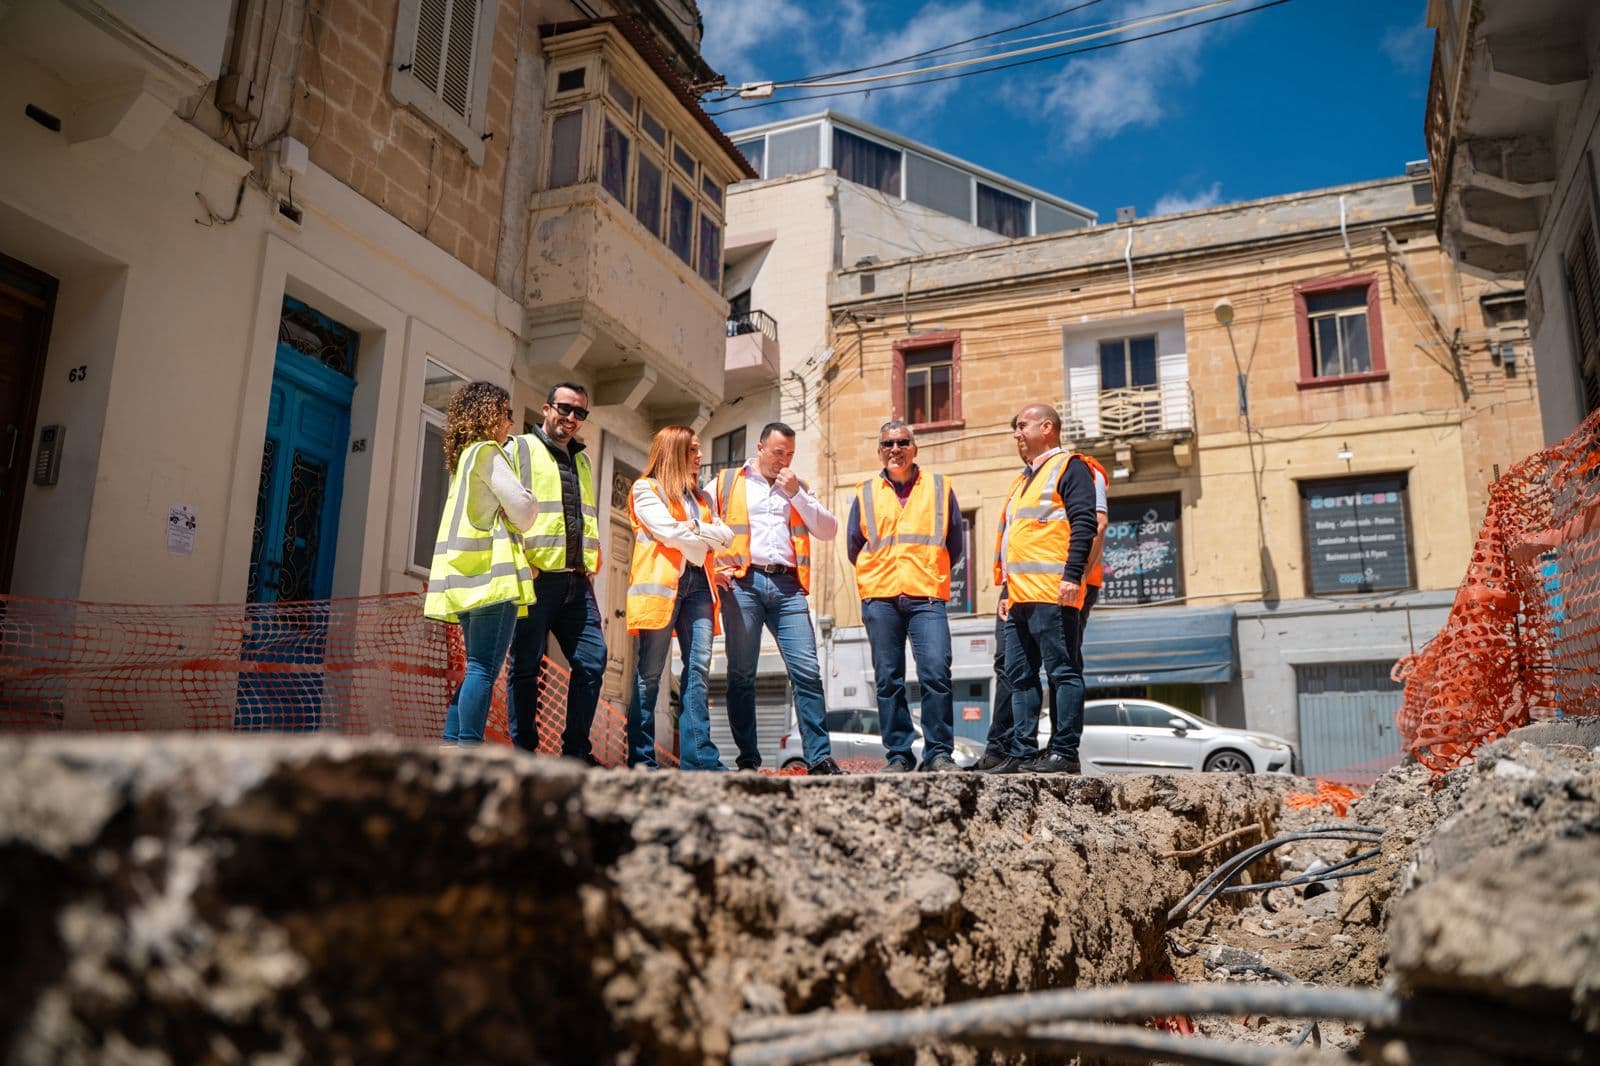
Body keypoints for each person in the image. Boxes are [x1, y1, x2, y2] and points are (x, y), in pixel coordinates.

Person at [711, 422, 844, 775]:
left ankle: (818, 759)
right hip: (743, 584)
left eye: (789, 454)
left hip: (788, 588)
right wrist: (713, 567)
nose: (783, 460)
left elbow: (828, 530)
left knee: (807, 672)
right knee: (741, 674)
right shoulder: (727, 482)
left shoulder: (796, 487)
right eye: (777, 453)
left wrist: (797, 493)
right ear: (760, 447)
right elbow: (698, 523)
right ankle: (748, 761)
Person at [982, 403, 1099, 775]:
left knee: (1063, 672)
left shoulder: (1071, 467)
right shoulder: (1023, 479)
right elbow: (1016, 541)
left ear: (1048, 427)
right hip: (1019, 598)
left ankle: (1065, 752)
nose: (1016, 433)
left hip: (1054, 592)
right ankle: (1022, 752)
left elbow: (1085, 523)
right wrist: (1007, 592)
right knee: (1019, 675)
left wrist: (1072, 575)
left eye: (1022, 425)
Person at [424, 382, 537, 747]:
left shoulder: (463, 459)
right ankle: (468, 747)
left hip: (464, 576)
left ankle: (452, 742)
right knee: (483, 669)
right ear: (490, 414)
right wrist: (527, 502)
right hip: (491, 576)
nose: (511, 421)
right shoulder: (489, 453)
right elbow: (523, 510)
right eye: (507, 413)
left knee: (474, 667)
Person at [846, 421, 963, 773]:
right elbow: (855, 545)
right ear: (879, 451)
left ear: (915, 448)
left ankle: (939, 753)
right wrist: (879, 573)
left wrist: (926, 568)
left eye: (901, 442)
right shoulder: (865, 491)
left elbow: (954, 543)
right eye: (887, 444)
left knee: (935, 672)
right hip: (880, 597)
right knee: (888, 678)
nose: (894, 449)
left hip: (926, 595)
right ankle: (898, 754)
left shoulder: (940, 487)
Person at [504, 383, 607, 762]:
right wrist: (520, 562)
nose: (572, 418)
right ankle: (523, 753)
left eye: (581, 413)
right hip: (534, 579)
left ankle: (576, 753)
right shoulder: (519, 449)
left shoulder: (582, 460)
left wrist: (590, 561)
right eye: (565, 409)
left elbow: (584, 518)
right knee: (526, 667)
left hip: (577, 582)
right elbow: (504, 513)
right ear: (547, 408)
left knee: (593, 660)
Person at [625, 426, 734, 770]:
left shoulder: (701, 497)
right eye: (693, 450)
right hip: (662, 588)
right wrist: (702, 538)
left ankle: (700, 759)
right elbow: (667, 532)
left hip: (699, 585)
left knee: (699, 669)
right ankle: (642, 760)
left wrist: (695, 531)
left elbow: (727, 536)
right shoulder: (646, 489)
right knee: (651, 674)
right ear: (674, 452)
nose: (700, 457)